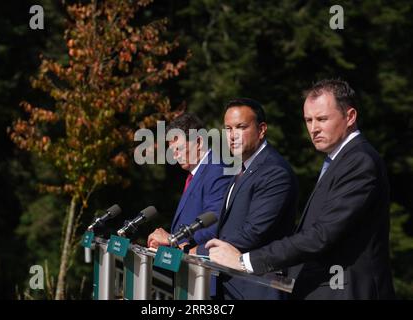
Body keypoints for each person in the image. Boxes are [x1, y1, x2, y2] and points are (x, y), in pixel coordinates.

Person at [206, 79, 395, 299]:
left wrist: (244, 261)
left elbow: (321, 235)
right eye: (308, 120)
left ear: (350, 117)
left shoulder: (359, 161)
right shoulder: (341, 160)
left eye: (322, 119)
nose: (314, 129)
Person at [197, 98, 298, 300]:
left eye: (241, 127)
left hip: (259, 288)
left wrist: (195, 250)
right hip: (232, 286)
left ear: (261, 130)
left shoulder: (274, 171)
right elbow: (228, 227)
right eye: (228, 128)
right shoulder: (243, 168)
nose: (232, 136)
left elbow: (253, 233)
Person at [147, 113, 232, 252]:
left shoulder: (217, 171)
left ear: (198, 142)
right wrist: (169, 244)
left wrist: (172, 239)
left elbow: (214, 227)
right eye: (172, 151)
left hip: (204, 268)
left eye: (179, 149)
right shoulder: (196, 173)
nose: (175, 156)